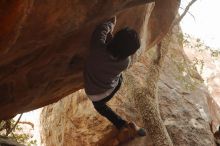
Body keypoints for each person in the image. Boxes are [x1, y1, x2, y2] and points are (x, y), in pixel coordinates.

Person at [83, 16, 146, 140]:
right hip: (112, 89)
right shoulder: (125, 62)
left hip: (94, 95)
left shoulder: (97, 48)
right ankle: (123, 125)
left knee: (100, 107)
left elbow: (101, 30)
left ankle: (122, 124)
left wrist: (112, 23)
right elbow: (114, 48)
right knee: (118, 78)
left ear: (115, 38)